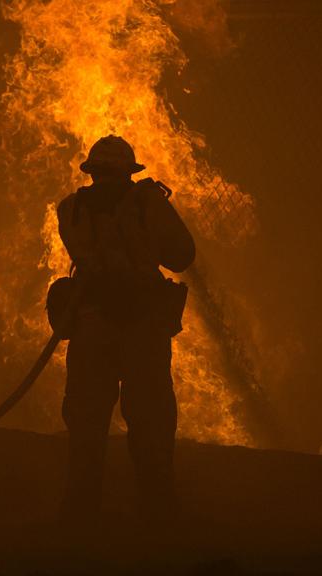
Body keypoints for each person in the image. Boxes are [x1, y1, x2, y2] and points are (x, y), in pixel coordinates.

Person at [56, 135, 195, 524]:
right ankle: (157, 510)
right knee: (150, 417)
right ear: (128, 171)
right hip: (141, 326)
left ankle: (80, 512)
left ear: (92, 171)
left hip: (91, 325)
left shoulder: (70, 208)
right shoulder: (147, 203)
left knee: (86, 420)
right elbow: (182, 255)